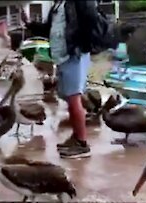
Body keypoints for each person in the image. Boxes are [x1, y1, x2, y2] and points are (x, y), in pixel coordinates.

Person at [21, 0, 99, 159]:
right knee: (68, 97)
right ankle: (76, 137)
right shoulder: (58, 4)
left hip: (73, 55)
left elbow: (91, 21)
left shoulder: (78, 3)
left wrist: (80, 45)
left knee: (73, 97)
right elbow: (49, 29)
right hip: (61, 57)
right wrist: (29, 24)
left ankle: (82, 143)